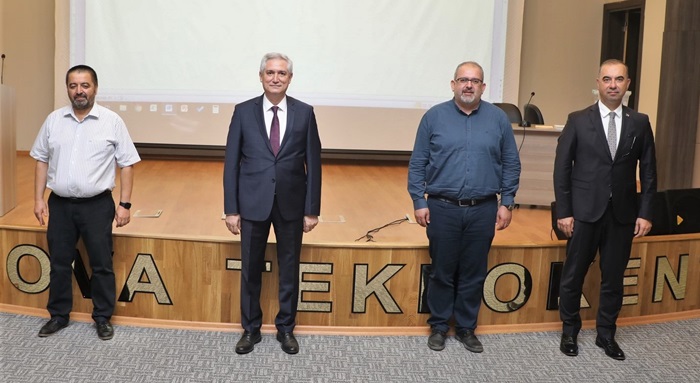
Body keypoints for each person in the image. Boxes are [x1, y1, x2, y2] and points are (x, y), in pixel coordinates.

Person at [408, 61, 521, 353]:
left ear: (483, 87)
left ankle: (467, 328)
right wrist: (419, 201)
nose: (468, 85)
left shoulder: (497, 119)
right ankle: (439, 326)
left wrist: (507, 202)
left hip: (483, 209)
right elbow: (418, 162)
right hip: (442, 208)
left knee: (473, 271)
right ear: (453, 84)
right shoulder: (434, 117)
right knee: (443, 271)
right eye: (463, 80)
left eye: (475, 81)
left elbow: (511, 162)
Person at [554, 59, 657, 361]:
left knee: (613, 278)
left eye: (619, 79)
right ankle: (569, 331)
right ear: (597, 83)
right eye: (607, 79)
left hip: (623, 215)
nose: (613, 85)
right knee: (573, 276)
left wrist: (646, 212)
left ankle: (606, 335)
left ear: (628, 85)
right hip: (583, 213)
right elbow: (562, 170)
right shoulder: (577, 120)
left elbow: (649, 172)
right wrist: (564, 211)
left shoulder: (640, 122)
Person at [30, 64, 141, 340]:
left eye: (85, 85)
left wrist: (124, 204)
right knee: (58, 262)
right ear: (67, 88)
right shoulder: (54, 120)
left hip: (97, 206)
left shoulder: (111, 121)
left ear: (95, 88)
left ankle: (102, 317)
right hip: (60, 204)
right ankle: (58, 315)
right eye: (73, 86)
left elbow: (127, 164)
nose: (79, 91)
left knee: (101, 263)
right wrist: (38, 199)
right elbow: (41, 160)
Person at [223, 52, 322, 355]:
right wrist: (231, 208)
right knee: (250, 269)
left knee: (289, 268)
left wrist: (312, 209)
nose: (276, 78)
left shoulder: (305, 112)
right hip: (252, 203)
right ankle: (250, 330)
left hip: (292, 205)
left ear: (290, 78)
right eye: (270, 73)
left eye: (282, 73)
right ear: (261, 76)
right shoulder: (243, 112)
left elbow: (314, 164)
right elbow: (231, 163)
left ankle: (286, 329)